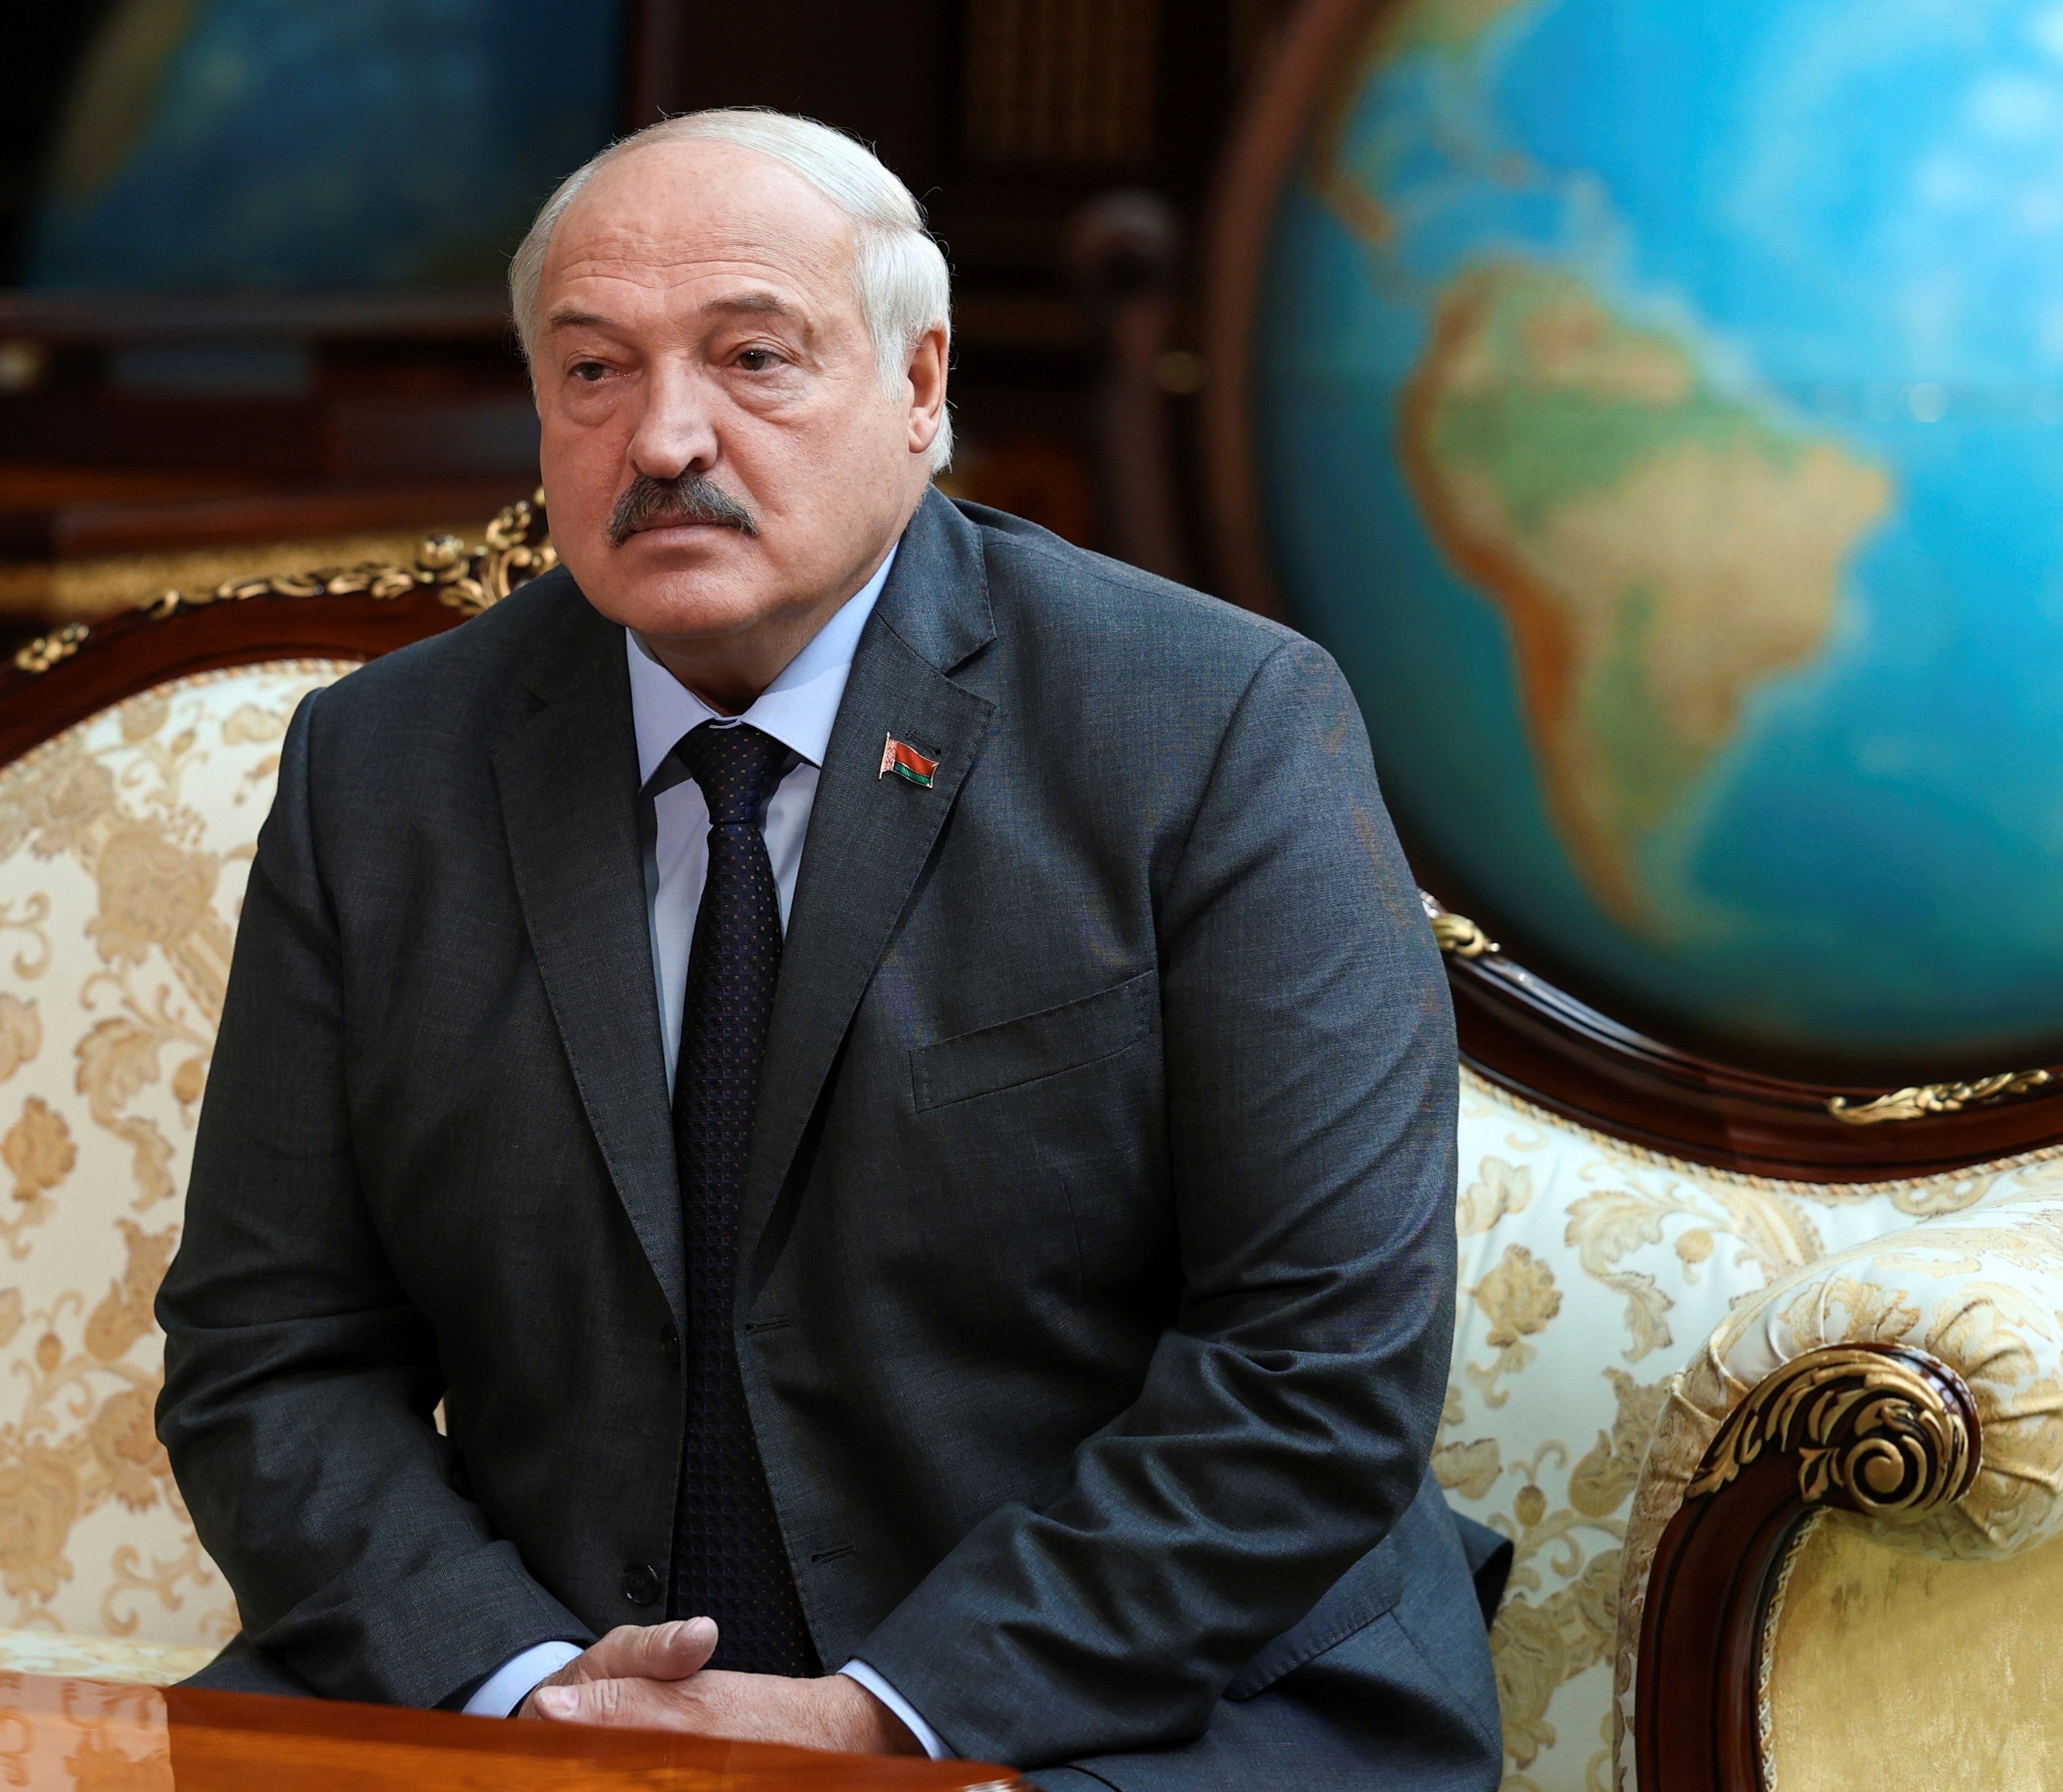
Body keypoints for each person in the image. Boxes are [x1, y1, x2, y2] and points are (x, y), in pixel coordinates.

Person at [156, 107, 1506, 1789]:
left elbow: (1318, 1369)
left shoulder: (1205, 726)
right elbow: (269, 1352)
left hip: (1131, 1694)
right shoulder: (385, 766)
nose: (663, 437)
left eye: (753, 357)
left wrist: (871, 1723)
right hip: (546, 1696)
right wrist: (527, 1692)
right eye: (592, 372)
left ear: (921, 386)